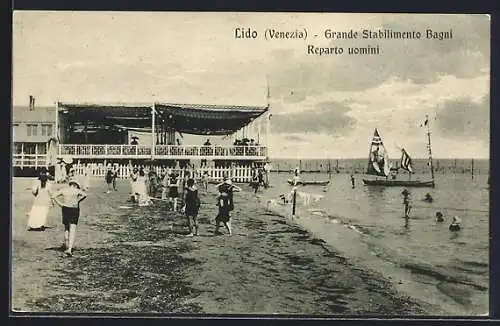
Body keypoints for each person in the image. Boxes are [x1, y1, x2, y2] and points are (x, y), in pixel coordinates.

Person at [51, 179, 87, 257]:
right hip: (74, 209)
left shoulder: (64, 190)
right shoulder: (76, 190)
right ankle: (70, 249)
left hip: (65, 208)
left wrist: (60, 204)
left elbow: (53, 196)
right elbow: (85, 194)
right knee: (73, 228)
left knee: (66, 228)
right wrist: (78, 200)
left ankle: (66, 245)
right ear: (76, 185)